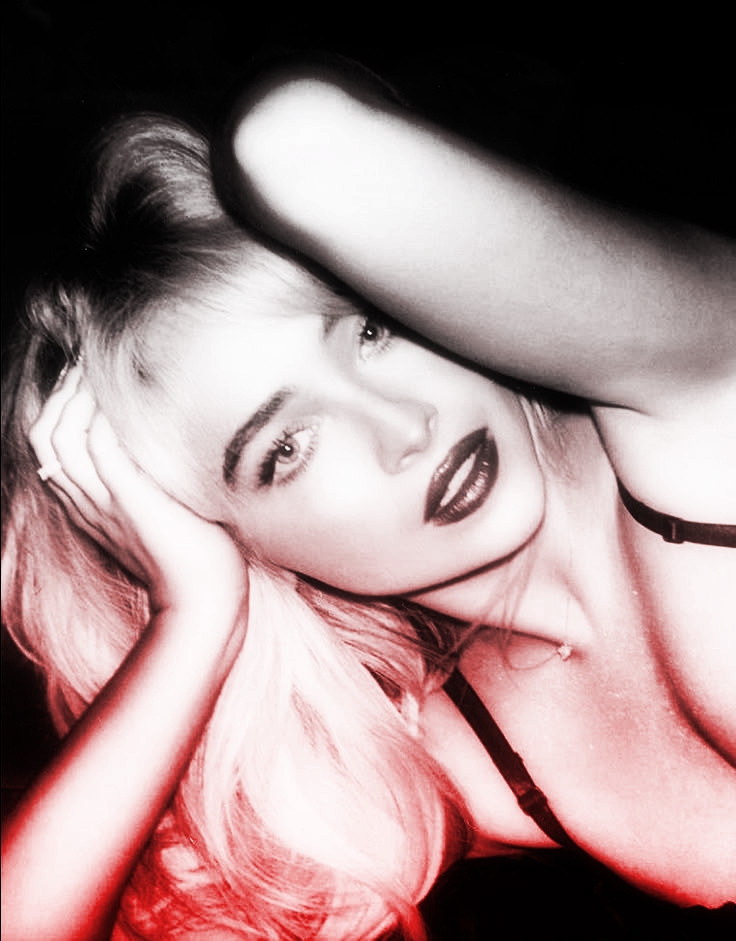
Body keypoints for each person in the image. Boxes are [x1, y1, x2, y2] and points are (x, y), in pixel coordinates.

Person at [2, 58, 735, 940]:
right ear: (239, 545)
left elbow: (297, 142)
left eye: (371, 330)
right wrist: (192, 619)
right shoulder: (466, 755)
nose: (404, 426)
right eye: (286, 449)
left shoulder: (689, 386)